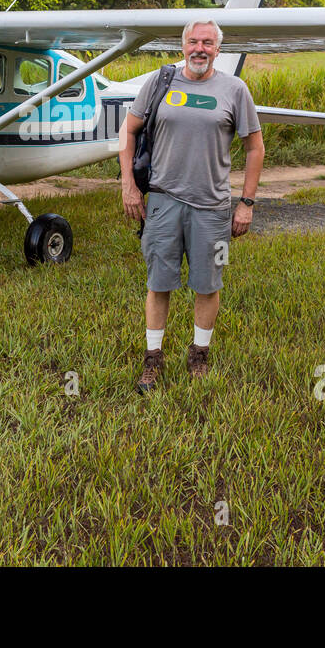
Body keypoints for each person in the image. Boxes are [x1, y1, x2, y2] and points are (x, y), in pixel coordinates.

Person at [118, 20, 264, 393]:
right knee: (158, 282)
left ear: (218, 49)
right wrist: (129, 184)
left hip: (213, 209)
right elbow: (129, 130)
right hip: (163, 202)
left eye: (209, 43)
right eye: (194, 42)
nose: (200, 49)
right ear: (183, 46)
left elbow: (254, 148)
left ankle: (199, 354)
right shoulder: (160, 83)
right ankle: (153, 358)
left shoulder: (235, 89)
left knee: (208, 283)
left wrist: (245, 203)